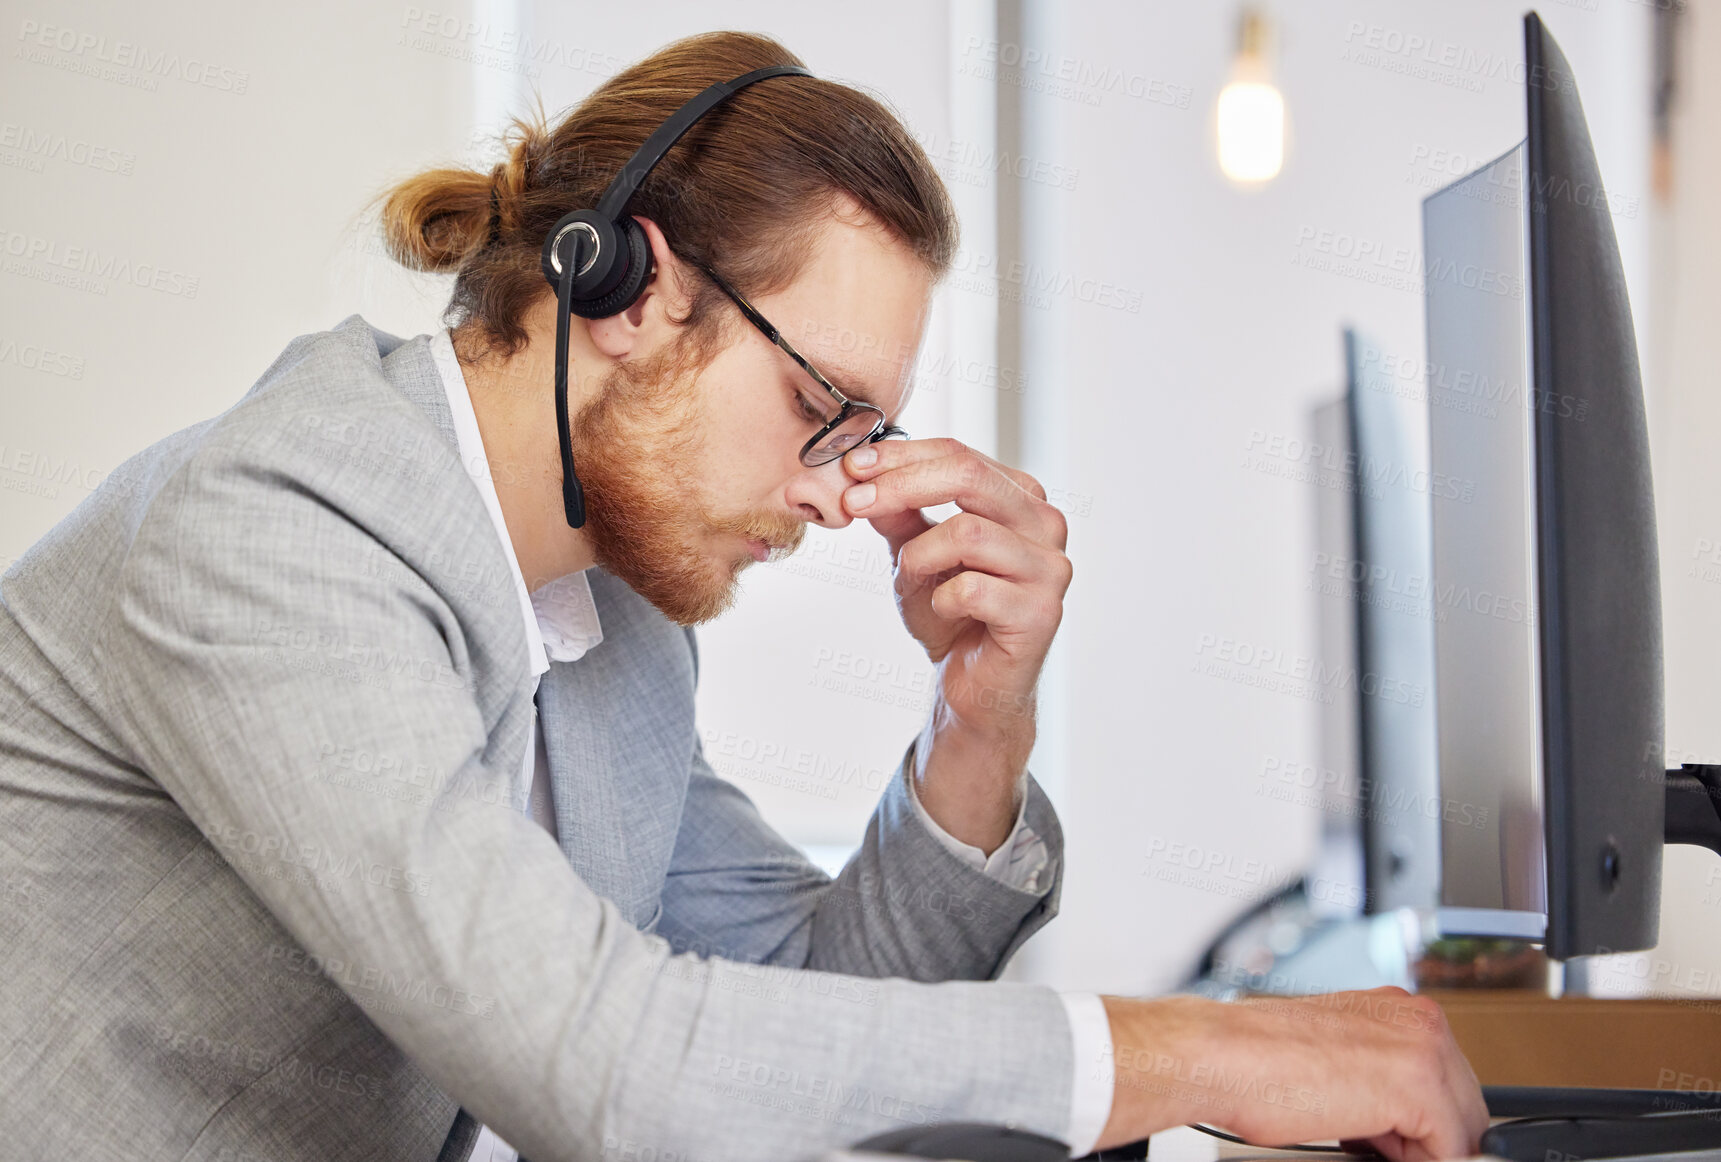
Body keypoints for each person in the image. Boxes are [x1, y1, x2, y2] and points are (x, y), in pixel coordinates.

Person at [0, 29, 1487, 1162]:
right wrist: (1213, 1055)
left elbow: (809, 997)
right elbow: (599, 1061)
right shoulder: (276, 535)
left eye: (868, 436)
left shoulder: (609, 627)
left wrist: (977, 725)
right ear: (632, 291)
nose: (847, 493)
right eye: (819, 406)